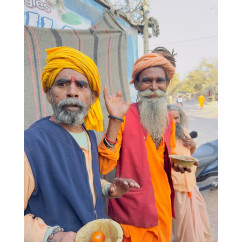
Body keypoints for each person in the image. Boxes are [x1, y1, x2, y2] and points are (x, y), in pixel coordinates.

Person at [24, 46, 140, 242]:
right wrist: (50, 235)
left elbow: (84, 176)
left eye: (81, 85)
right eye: (62, 84)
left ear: (92, 97)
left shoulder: (88, 134)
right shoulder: (30, 144)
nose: (72, 92)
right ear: (48, 94)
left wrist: (106, 188)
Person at [98, 49, 193, 242]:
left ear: (167, 84)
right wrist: (115, 119)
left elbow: (169, 157)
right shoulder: (123, 116)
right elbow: (103, 166)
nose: (154, 86)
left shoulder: (168, 119)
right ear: (137, 85)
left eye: (159, 81)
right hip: (132, 211)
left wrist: (178, 164)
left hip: (163, 207)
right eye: (147, 81)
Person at [167, 103, 214, 242]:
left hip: (192, 186)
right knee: (182, 229)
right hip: (177, 189)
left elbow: (189, 153)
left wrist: (193, 145)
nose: (175, 121)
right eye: (170, 118)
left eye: (177, 118)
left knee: (202, 220)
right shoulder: (162, 137)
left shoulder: (183, 132)